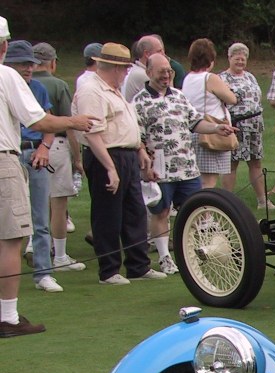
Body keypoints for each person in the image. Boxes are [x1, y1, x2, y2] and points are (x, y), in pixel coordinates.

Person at [0, 18, 95, 336]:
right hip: (4, 160)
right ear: (3, 46)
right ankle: (8, 317)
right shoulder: (6, 75)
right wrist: (75, 120)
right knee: (11, 240)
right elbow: (37, 119)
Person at [72, 41, 165, 285]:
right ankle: (109, 270)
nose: (126, 74)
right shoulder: (92, 91)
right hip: (106, 155)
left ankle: (138, 265)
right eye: (124, 69)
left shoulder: (113, 89)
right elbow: (93, 134)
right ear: (114, 68)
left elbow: (125, 124)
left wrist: (139, 150)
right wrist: (110, 167)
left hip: (126, 154)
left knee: (134, 211)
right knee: (108, 214)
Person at [135, 52, 237, 273]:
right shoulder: (140, 101)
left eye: (169, 71)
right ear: (149, 71)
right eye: (161, 72)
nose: (166, 75)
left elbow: (195, 122)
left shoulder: (178, 96)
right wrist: (146, 164)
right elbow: (138, 138)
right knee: (161, 212)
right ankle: (164, 257)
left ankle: (190, 252)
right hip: (160, 170)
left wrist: (216, 128)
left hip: (188, 168)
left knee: (194, 211)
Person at [6, 41, 60, 293]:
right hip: (9, 153)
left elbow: (47, 124)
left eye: (31, 63)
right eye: (23, 64)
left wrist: (44, 148)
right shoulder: (5, 84)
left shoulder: (37, 88)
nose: (29, 68)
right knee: (9, 221)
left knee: (40, 216)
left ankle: (43, 273)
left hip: (35, 151)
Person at [32, 42, 87, 274]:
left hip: (26, 146)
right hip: (54, 145)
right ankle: (60, 255)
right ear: (53, 62)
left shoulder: (20, 83)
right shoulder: (57, 85)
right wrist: (77, 158)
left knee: (35, 203)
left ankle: (34, 249)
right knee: (58, 202)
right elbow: (69, 124)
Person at [220, 42, 275, 208]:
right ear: (230, 58)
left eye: (243, 59)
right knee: (232, 163)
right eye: (237, 58)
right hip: (236, 125)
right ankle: (227, 202)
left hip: (254, 125)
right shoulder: (222, 78)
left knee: (256, 162)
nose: (240, 62)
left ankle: (263, 201)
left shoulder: (250, 76)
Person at [181, 38, 237, 188]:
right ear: (210, 59)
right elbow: (232, 99)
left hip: (194, 130)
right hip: (211, 132)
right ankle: (204, 211)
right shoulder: (210, 78)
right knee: (209, 181)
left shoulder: (187, 78)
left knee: (199, 178)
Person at [122, 35, 164, 102]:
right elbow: (164, 102)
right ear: (147, 54)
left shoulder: (132, 68)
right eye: (159, 51)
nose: (163, 54)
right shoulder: (144, 75)